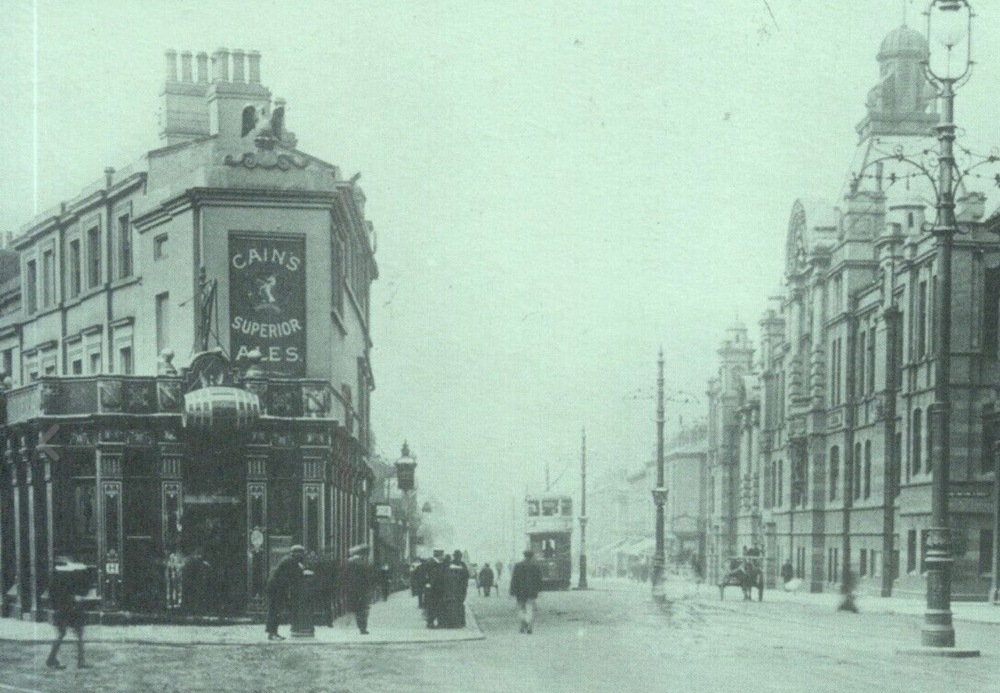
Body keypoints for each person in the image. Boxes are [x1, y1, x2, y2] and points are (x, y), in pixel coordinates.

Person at [47, 556, 91, 669]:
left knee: (76, 634)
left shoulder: (61, 576)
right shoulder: (59, 578)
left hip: (71, 610)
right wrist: (74, 598)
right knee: (65, 634)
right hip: (64, 610)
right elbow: (58, 595)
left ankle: (80, 661)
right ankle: (52, 659)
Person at [265, 545, 305, 640]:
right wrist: (301, 568)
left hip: (276, 588)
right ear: (296, 554)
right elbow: (297, 575)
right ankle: (272, 633)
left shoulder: (289, 559)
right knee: (275, 611)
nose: (303, 556)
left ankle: (273, 633)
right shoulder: (291, 561)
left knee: (275, 610)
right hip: (276, 589)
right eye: (301, 554)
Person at [509, 549, 543, 634]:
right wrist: (539, 590)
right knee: (531, 608)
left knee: (521, 608)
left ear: (524, 555)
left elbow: (514, 579)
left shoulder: (518, 565)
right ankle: (529, 626)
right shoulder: (536, 565)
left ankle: (523, 622)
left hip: (520, 591)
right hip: (532, 591)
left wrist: (512, 591)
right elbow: (539, 580)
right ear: (532, 555)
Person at [343, 544, 374, 634]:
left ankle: (352, 626)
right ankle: (362, 627)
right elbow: (367, 577)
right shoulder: (362, 563)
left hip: (351, 589)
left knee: (354, 608)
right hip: (362, 589)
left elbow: (344, 576)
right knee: (363, 609)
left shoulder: (348, 563)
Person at [423, 549, 449, 628]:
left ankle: (439, 622)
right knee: (431, 605)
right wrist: (427, 583)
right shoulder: (429, 563)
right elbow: (424, 574)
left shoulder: (441, 564)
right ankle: (430, 622)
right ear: (439, 555)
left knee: (439, 605)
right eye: (442, 555)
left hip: (440, 588)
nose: (443, 557)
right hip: (431, 588)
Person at [444, 550, 470, 627]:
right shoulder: (462, 564)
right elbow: (467, 575)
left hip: (453, 588)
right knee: (460, 604)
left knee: (453, 604)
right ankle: (461, 622)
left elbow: (446, 576)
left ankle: (453, 622)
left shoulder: (450, 564)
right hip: (461, 588)